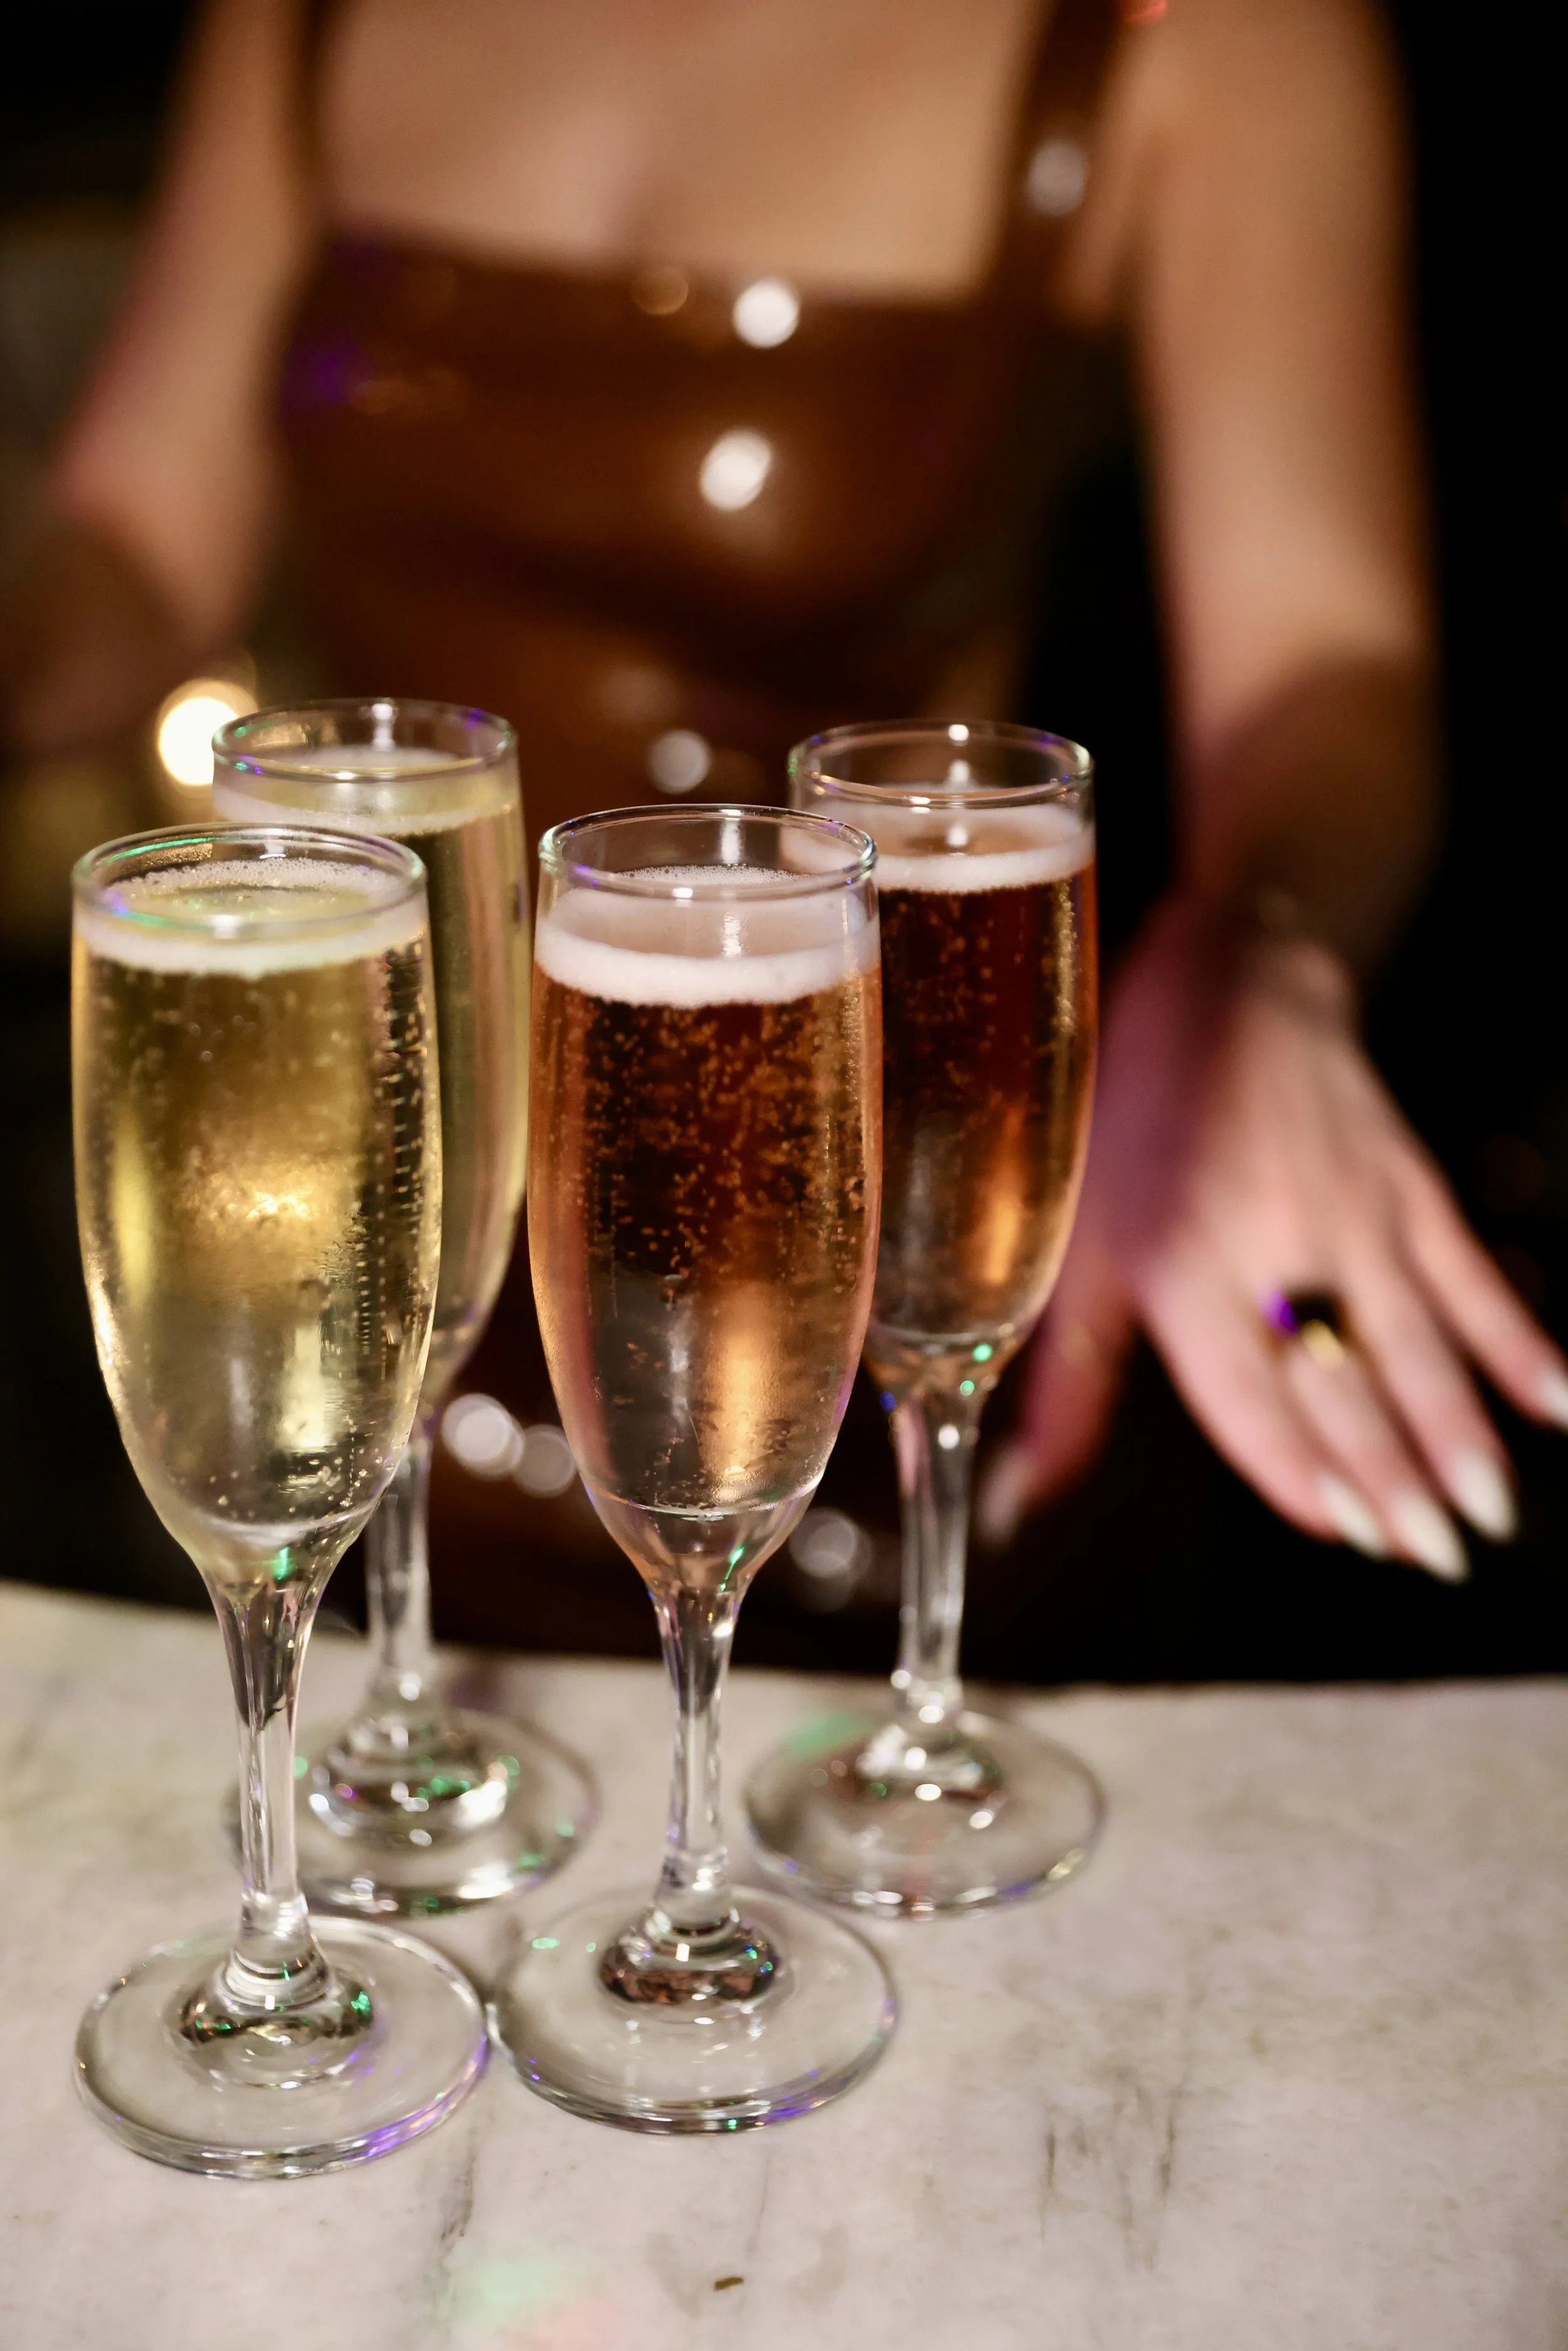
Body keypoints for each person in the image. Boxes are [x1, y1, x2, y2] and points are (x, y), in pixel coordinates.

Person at [3, 0, 1564, 1609]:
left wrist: (1251, 958)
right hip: (381, 1261)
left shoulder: (1214, 35)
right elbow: (133, 549)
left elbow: (1327, 673)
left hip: (816, 1308)